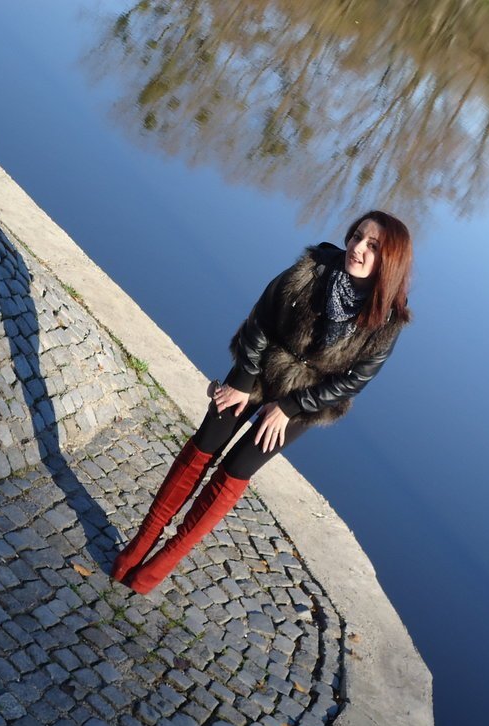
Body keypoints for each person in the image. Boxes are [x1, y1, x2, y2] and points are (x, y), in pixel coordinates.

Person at [111, 210, 413, 594]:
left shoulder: (388, 321)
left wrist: (288, 408)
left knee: (237, 468)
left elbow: (352, 382)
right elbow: (262, 318)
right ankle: (138, 546)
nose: (358, 248)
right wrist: (242, 380)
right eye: (357, 236)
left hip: (306, 398)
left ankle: (161, 564)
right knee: (205, 445)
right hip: (259, 364)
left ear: (390, 260)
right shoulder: (314, 267)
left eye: (373, 246)